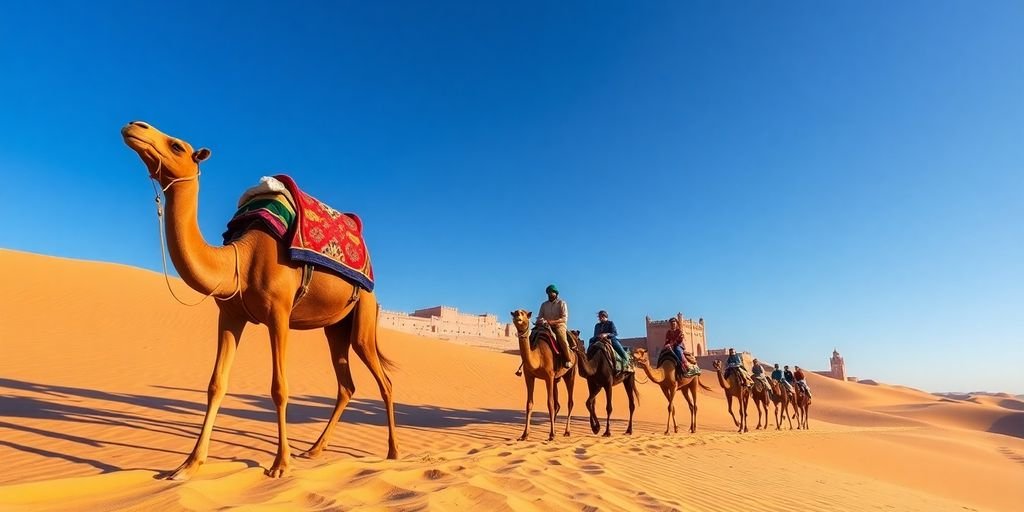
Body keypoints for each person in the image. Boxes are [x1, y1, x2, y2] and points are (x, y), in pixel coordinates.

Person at [538, 284, 573, 368]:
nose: (550, 294)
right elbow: (540, 316)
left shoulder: (561, 303)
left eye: (552, 292)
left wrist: (552, 322)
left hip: (559, 325)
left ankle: (568, 359)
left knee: (562, 338)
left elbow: (564, 318)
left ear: (556, 293)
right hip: (545, 326)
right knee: (533, 335)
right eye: (549, 292)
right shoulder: (544, 305)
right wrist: (540, 320)